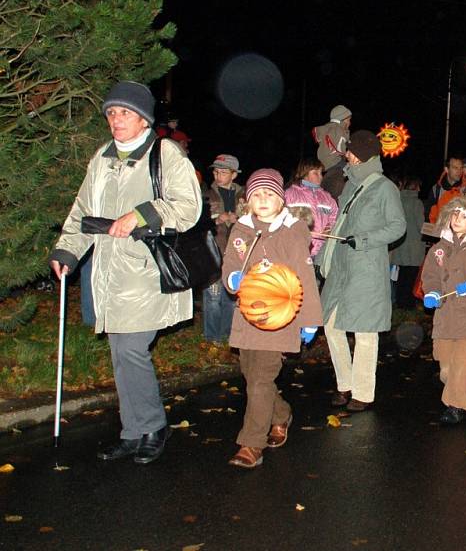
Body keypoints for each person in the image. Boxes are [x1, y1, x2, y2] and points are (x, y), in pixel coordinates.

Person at [48, 81, 201, 464]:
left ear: (143, 119)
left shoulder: (165, 153)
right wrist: (68, 250)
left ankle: (152, 426)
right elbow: (83, 210)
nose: (116, 120)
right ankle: (133, 432)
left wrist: (141, 214)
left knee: (131, 349)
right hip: (108, 273)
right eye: (112, 113)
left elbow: (188, 206)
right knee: (121, 353)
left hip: (148, 271)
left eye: (125, 113)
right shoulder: (101, 158)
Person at [221, 169, 322, 468]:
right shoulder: (241, 230)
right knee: (253, 377)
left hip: (280, 318)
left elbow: (305, 277)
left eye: (269, 195)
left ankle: (251, 444)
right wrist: (232, 279)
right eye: (256, 195)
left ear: (281, 201)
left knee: (261, 380)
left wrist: (310, 319)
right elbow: (230, 264)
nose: (263, 200)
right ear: (248, 201)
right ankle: (281, 414)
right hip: (248, 317)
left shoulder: (292, 232)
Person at [320, 130, 406, 411]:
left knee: (365, 332)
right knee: (332, 326)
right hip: (341, 268)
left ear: (360, 154)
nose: (347, 154)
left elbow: (398, 227)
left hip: (366, 269)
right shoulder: (350, 185)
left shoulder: (384, 188)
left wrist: (365, 240)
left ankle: (363, 392)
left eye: (350, 151)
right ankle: (344, 384)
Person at [421, 196, 466, 424]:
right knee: (445, 364)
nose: (458, 219)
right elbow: (430, 276)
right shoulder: (438, 248)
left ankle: (455, 406)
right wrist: (432, 291)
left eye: (464, 216)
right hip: (445, 317)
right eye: (455, 214)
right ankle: (455, 385)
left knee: (463, 362)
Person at [203, 154, 245, 345]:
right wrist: (217, 219)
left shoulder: (244, 195)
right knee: (213, 295)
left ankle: (227, 334)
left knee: (230, 295)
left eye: (223, 172)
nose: (218, 175)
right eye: (216, 171)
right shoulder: (206, 193)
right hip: (212, 251)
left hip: (236, 254)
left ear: (234, 175)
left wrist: (240, 219)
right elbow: (198, 221)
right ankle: (212, 337)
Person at [284, 157, 339, 283]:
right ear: (305, 174)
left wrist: (330, 228)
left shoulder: (326, 197)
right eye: (315, 173)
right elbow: (282, 219)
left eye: (321, 173)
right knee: (295, 287)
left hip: (320, 253)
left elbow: (335, 216)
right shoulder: (290, 194)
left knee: (313, 289)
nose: (320, 176)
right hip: (298, 251)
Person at [391, 176, 426, 308]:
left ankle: (400, 301)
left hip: (401, 245)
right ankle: (408, 303)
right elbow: (420, 225)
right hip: (414, 246)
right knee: (411, 276)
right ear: (415, 187)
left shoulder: (398, 200)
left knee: (402, 275)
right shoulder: (417, 203)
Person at [313, 105, 352, 199]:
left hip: (326, 164)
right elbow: (343, 147)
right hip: (336, 162)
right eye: (348, 120)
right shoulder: (338, 130)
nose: (350, 123)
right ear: (342, 120)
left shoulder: (328, 129)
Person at [428, 157, 466, 222]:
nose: (459, 171)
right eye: (455, 168)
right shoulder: (436, 189)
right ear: (446, 169)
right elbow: (432, 215)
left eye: (461, 168)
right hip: (441, 230)